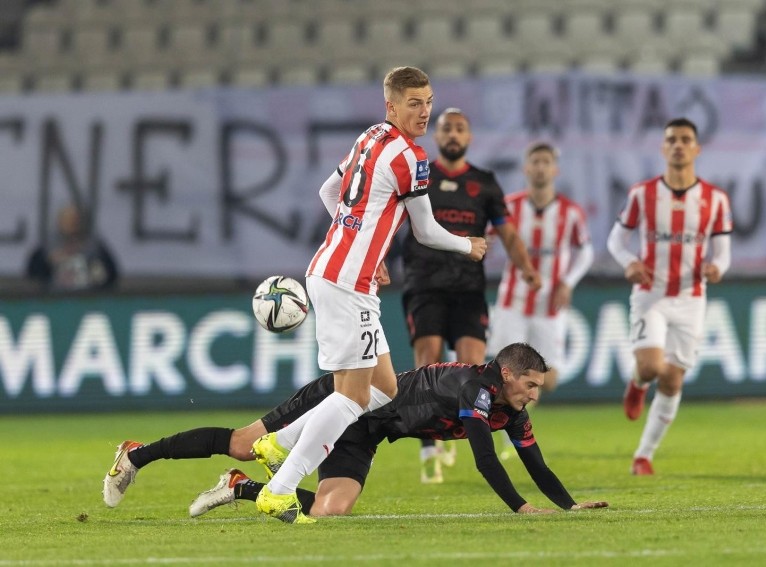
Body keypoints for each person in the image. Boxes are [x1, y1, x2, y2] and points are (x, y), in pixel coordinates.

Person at [103, 66, 486, 525]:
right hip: (346, 284)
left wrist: (362, 246)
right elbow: (425, 231)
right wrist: (469, 245)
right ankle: (278, 490)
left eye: (428, 102)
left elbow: (330, 192)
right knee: (353, 398)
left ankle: (273, 447)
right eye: (414, 104)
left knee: (383, 389)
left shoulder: (370, 138)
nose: (424, 112)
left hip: (336, 272)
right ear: (391, 105)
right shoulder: (411, 157)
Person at [101, 343, 608, 518]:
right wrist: (521, 509)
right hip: (344, 395)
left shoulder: (510, 409)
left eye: (538, 387)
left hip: (366, 431)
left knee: (331, 509)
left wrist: (568, 506)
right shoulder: (475, 389)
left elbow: (534, 461)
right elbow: (484, 459)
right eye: (530, 385)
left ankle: (239, 489)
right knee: (243, 442)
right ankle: (136, 454)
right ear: (506, 375)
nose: (534, 395)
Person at [399, 107, 540, 483]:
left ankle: (482, 434)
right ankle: (429, 447)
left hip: (468, 288)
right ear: (438, 135)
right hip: (424, 283)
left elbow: (507, 233)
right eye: (447, 129)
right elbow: (391, 221)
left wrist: (525, 266)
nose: (453, 135)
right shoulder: (418, 177)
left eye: (460, 129)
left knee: (473, 367)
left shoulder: (485, 183)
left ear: (469, 137)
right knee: (427, 364)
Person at [606, 117, 732, 475]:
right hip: (651, 294)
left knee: (673, 379)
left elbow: (722, 252)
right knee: (650, 366)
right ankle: (637, 382)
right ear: (664, 148)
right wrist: (629, 262)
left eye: (685, 139)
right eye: (672, 139)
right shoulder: (642, 194)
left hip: (691, 298)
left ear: (696, 148)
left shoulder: (715, 199)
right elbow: (616, 240)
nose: (678, 145)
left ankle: (643, 455)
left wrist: (717, 269)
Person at [488, 142, 594, 394]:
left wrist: (568, 282)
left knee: (548, 380)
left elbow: (586, 251)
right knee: (506, 374)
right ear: (526, 168)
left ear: (555, 170)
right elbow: (486, 239)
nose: (540, 168)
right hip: (513, 301)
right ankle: (512, 431)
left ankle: (512, 422)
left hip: (548, 306)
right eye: (535, 162)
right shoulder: (509, 207)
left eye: (546, 162)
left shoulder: (571, 213)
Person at [25, 203, 119, 292]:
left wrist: (94, 268)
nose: (71, 224)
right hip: (54, 298)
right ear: (60, 221)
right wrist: (48, 261)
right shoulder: (48, 247)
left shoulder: (95, 247)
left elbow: (110, 275)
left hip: (89, 297)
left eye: (75, 220)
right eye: (67, 220)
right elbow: (33, 275)